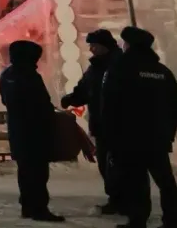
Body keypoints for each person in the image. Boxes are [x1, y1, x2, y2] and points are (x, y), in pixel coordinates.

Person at [101, 26, 177, 228]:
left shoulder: (120, 69)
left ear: (129, 45)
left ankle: (138, 220)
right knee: (166, 181)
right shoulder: (163, 72)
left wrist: (110, 137)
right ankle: (172, 219)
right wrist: (168, 134)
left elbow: (109, 105)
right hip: (157, 138)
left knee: (136, 182)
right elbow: (173, 106)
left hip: (129, 138)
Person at [0, 39, 63, 222]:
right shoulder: (30, 76)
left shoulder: (7, 75)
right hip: (35, 131)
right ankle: (39, 208)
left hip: (17, 129)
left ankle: (27, 206)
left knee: (25, 171)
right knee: (38, 172)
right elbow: (42, 104)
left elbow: (5, 100)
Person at [61, 28, 120, 215]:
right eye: (91, 46)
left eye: (95, 45)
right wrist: (71, 98)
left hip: (118, 125)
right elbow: (85, 90)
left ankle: (127, 200)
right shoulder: (95, 68)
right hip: (101, 125)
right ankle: (116, 199)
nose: (92, 49)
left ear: (105, 46)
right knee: (105, 164)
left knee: (118, 165)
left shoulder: (118, 65)